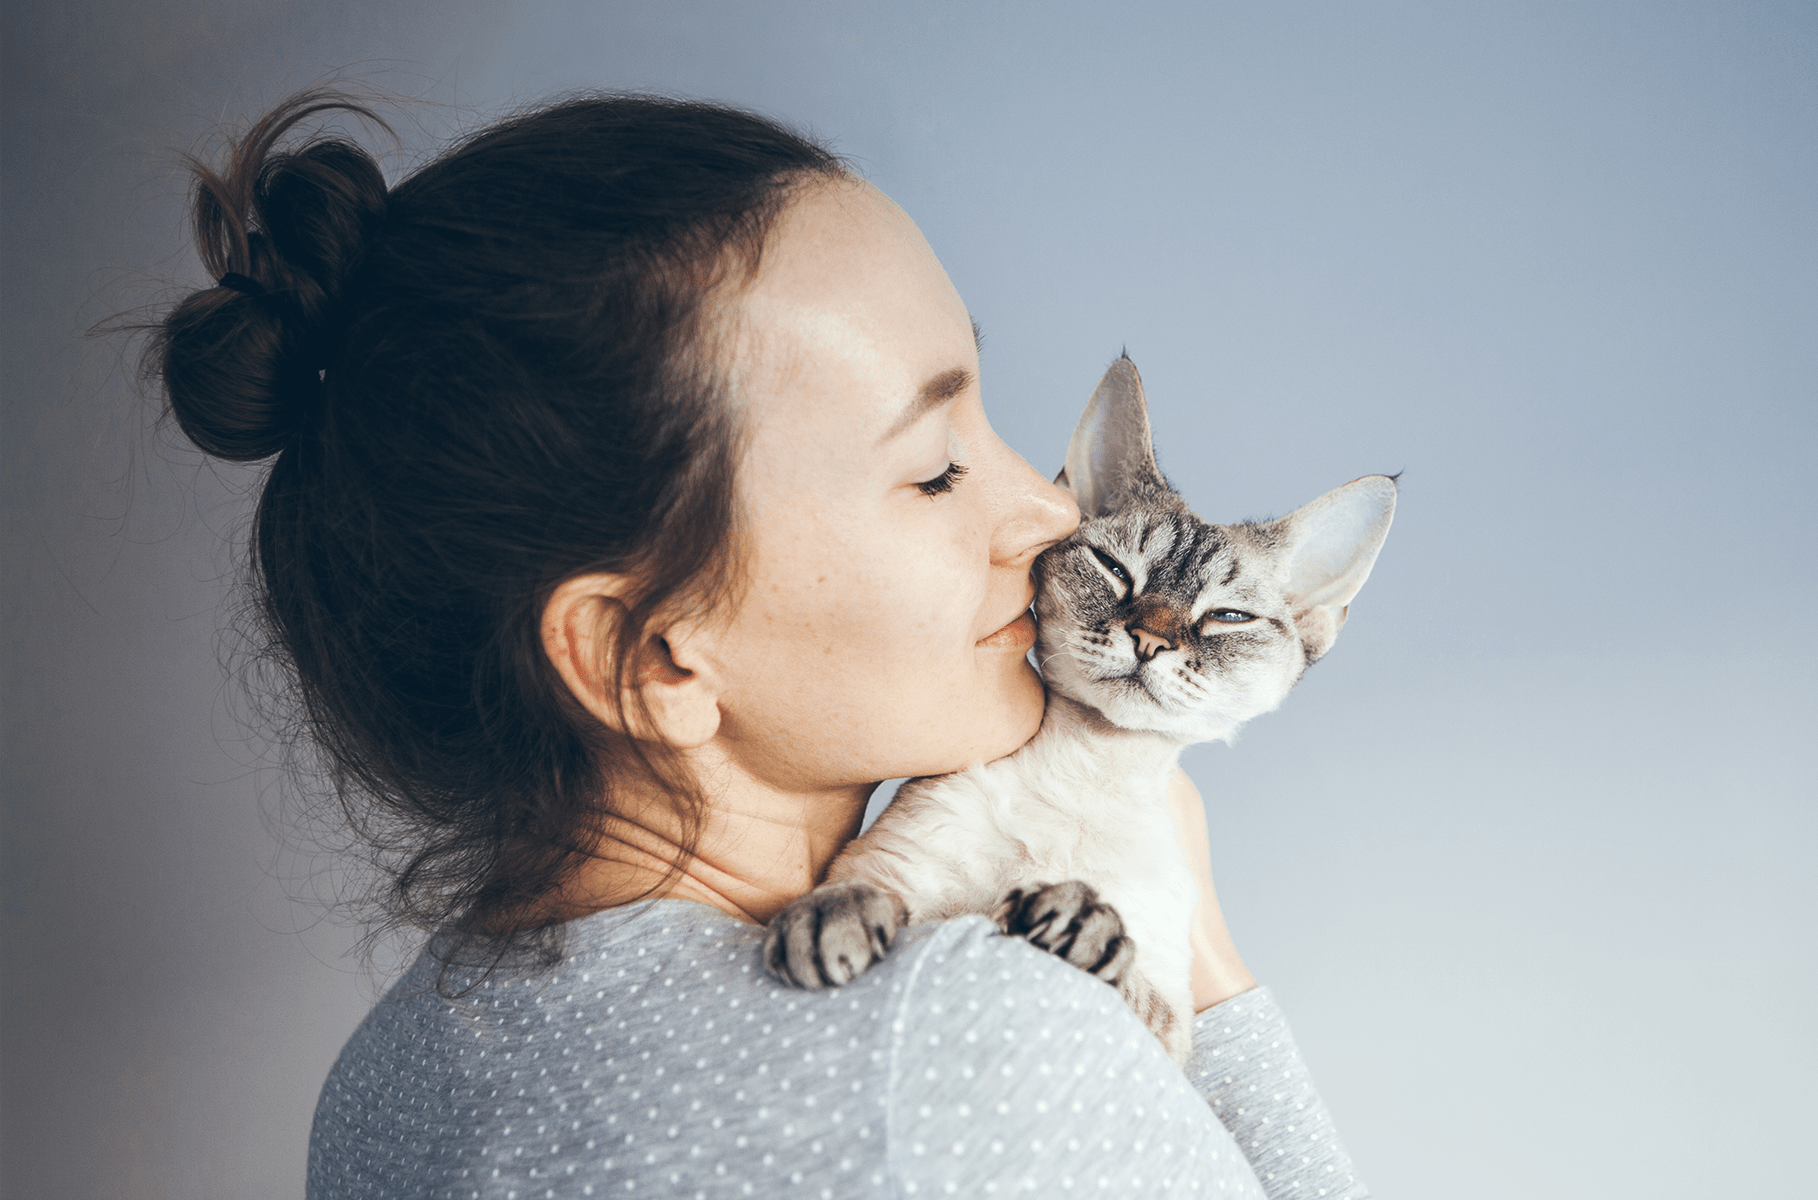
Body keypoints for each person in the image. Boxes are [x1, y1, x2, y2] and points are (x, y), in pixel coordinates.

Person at [150, 88, 1371, 1199]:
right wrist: (1199, 946)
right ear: (652, 659)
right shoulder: (961, 1044)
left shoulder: (381, 1087)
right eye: (938, 469)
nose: (1052, 514)